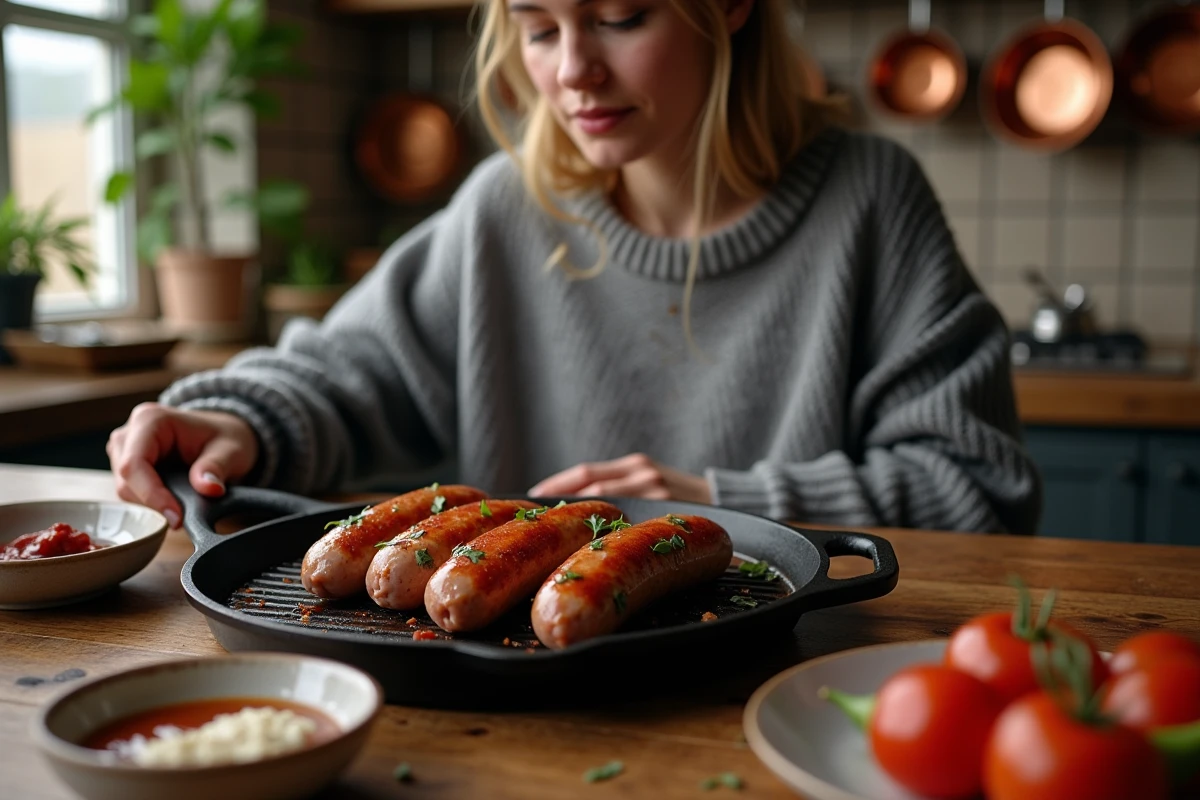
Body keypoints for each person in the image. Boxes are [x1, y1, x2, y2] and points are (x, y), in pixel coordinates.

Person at [107, 0, 1041, 535]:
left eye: (619, 15)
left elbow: (978, 487)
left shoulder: (872, 197)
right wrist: (234, 416)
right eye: (538, 26)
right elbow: (347, 374)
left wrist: (718, 505)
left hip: (790, 697)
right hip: (523, 714)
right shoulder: (503, 207)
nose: (573, 72)